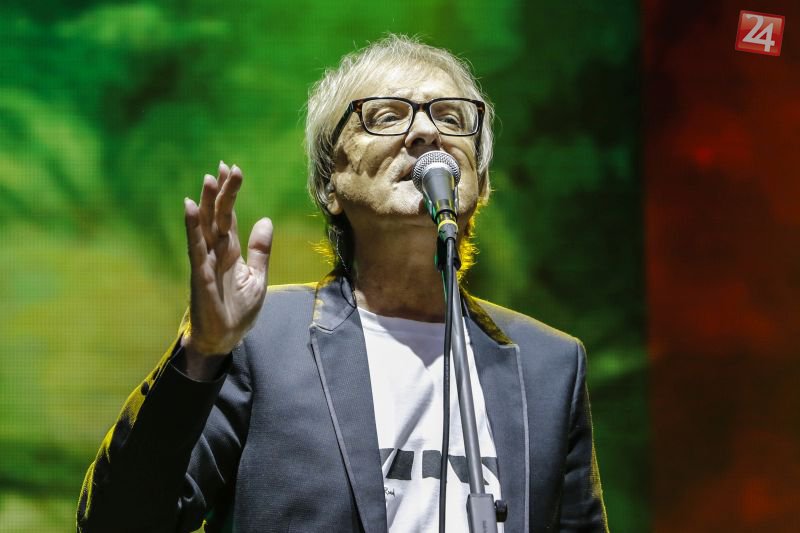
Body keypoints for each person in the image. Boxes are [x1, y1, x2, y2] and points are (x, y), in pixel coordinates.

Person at [77, 34, 608, 532]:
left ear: (481, 182)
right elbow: (118, 522)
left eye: (450, 117)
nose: (426, 133)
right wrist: (202, 353)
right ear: (331, 183)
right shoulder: (262, 341)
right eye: (387, 115)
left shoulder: (550, 366)